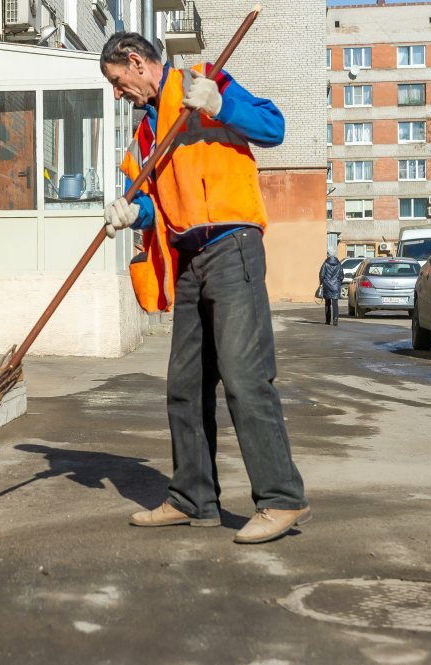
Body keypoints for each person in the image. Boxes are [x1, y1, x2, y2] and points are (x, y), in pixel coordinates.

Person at [99, 32, 309, 545]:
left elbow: (273, 127)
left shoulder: (203, 81)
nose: (117, 92)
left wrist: (221, 102)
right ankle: (193, 498)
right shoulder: (146, 135)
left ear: (136, 62)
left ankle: (281, 499)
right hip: (189, 258)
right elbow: (158, 203)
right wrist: (134, 213)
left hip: (232, 244)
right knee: (185, 384)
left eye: (117, 81)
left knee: (244, 376)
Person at [319, 250, 343, 326]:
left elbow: (321, 275)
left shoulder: (325, 263)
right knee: (335, 304)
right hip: (336, 285)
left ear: (328, 254)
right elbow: (342, 276)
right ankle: (335, 319)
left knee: (327, 303)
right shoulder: (339, 264)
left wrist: (321, 283)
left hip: (327, 285)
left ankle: (328, 320)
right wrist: (338, 283)